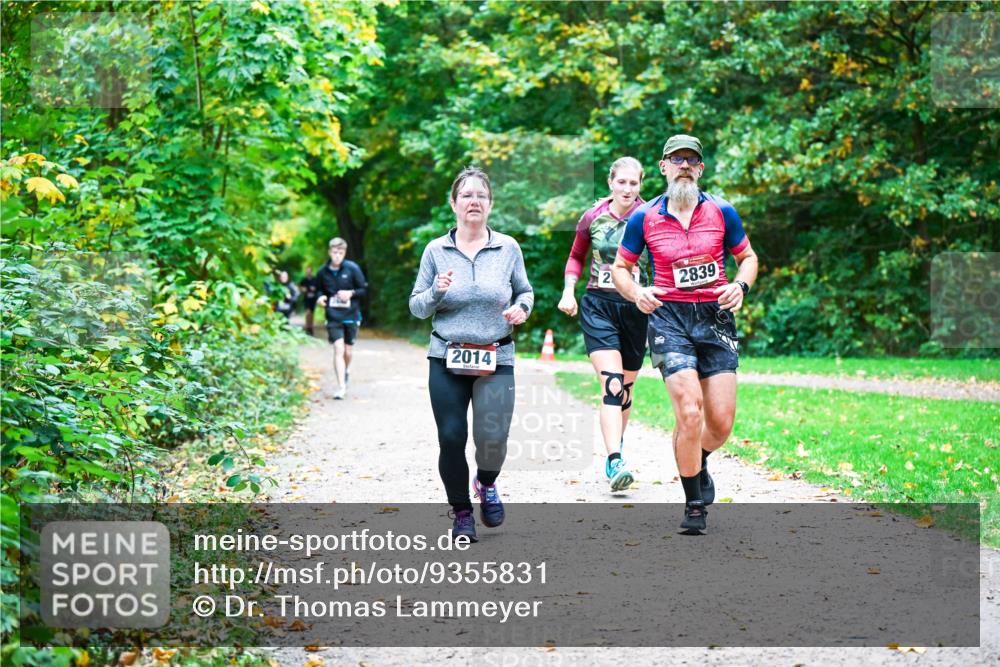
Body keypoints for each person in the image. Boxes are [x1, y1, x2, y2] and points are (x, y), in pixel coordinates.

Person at [612, 134, 758, 535]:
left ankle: (698, 456)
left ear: (700, 168)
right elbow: (620, 269)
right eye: (676, 159)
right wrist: (637, 292)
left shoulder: (722, 211)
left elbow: (747, 258)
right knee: (689, 412)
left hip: (715, 319)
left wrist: (740, 287)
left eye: (692, 160)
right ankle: (694, 504)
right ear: (663, 167)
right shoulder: (645, 217)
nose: (684, 166)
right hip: (669, 319)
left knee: (721, 422)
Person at [409, 166, 533, 542]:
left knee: (493, 438)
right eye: (466, 195)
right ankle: (462, 512)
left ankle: (487, 482)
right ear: (454, 204)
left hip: (497, 356)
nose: (474, 201)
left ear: (490, 204)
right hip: (446, 357)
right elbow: (417, 307)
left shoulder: (508, 248)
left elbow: (525, 292)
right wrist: (436, 292)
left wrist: (521, 310)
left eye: (481, 195)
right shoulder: (436, 250)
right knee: (451, 436)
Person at [557, 157, 650, 493]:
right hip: (599, 305)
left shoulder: (651, 215)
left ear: (641, 184)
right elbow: (576, 255)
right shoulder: (593, 216)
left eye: (634, 183)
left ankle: (618, 450)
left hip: (637, 309)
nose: (627, 188)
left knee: (625, 390)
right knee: (611, 383)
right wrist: (569, 291)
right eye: (621, 182)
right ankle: (614, 460)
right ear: (611, 182)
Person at [317, 238, 368, 400]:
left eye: (340, 253)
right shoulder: (322, 271)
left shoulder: (352, 268)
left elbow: (363, 289)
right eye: (334, 252)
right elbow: (318, 290)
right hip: (332, 316)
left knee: (348, 351)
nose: (337, 256)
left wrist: (350, 294)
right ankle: (341, 386)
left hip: (351, 315)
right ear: (329, 252)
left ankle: (346, 370)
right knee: (338, 349)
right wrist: (320, 298)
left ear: (344, 253)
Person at [300, 266, 320, 336]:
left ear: (311, 271)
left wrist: (314, 289)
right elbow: (300, 287)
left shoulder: (315, 280)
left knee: (311, 314)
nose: (308, 272)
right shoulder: (304, 280)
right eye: (307, 271)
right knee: (307, 313)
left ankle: (310, 327)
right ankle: (307, 327)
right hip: (306, 299)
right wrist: (303, 289)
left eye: (309, 270)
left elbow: (319, 288)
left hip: (313, 299)